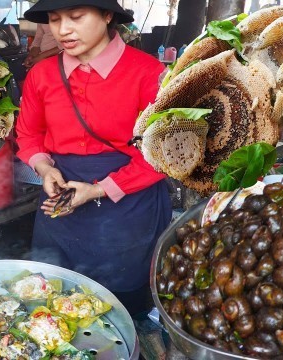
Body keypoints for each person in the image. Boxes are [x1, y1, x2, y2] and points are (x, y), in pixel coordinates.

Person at [16, 0, 171, 315]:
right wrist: (45, 168)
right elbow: (28, 135)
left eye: (75, 17)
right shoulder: (42, 74)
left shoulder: (150, 74)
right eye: (55, 19)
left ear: (107, 15)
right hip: (59, 195)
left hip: (128, 201)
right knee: (50, 295)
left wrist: (100, 189)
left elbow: (164, 153)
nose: (63, 30)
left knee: (119, 305)